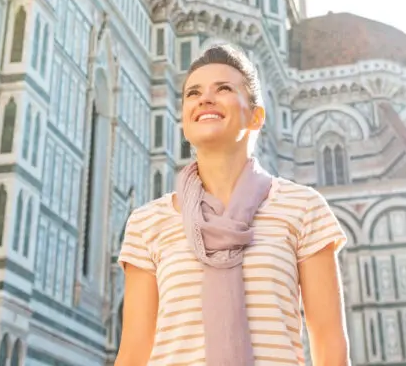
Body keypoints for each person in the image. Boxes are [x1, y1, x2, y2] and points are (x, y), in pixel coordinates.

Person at [115, 44, 350, 366]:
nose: (205, 99)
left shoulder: (302, 208)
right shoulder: (147, 222)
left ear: (256, 116)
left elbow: (328, 342)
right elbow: (134, 350)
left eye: (223, 88)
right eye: (192, 93)